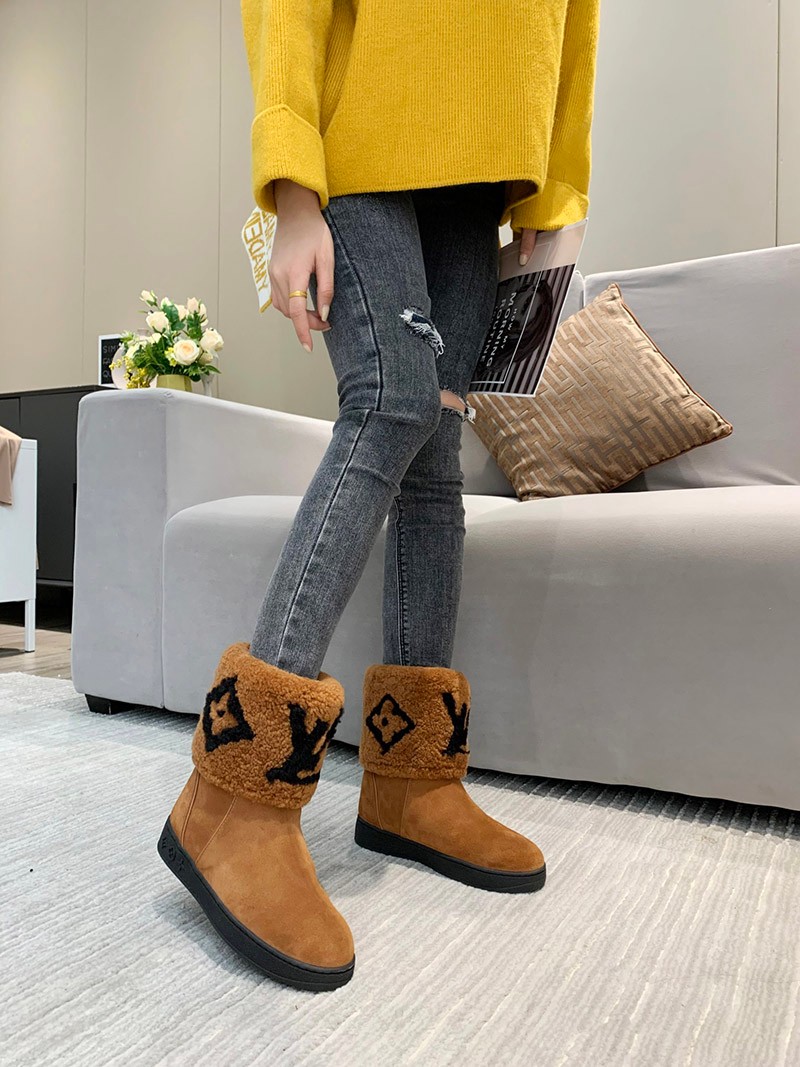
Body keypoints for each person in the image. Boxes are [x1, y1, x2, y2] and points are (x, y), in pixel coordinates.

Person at [157, 0, 601, 991]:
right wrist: (292, 185)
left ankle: (411, 782)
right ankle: (233, 795)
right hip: (360, 139)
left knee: (437, 447)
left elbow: (574, 20)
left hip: (484, 170)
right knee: (391, 403)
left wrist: (558, 184)